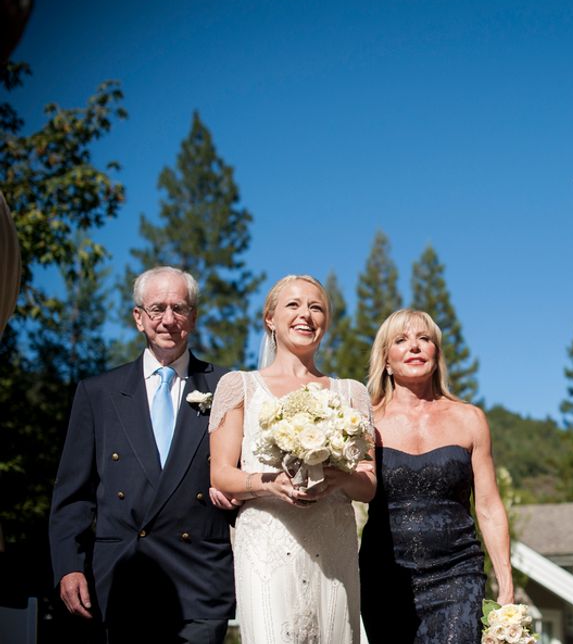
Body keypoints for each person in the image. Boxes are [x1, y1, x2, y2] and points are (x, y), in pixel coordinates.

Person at [49, 266, 236, 643]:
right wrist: (69, 565)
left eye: (179, 308)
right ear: (138, 318)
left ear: (193, 317)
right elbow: (74, 495)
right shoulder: (98, 393)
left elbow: (244, 474)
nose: (168, 319)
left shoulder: (228, 387)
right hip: (122, 578)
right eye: (157, 309)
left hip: (200, 578)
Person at [209, 274, 376, 644]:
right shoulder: (239, 386)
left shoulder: (352, 394)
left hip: (333, 543)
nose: (306, 315)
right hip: (266, 543)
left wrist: (338, 478)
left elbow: (368, 485)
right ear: (270, 318)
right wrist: (269, 484)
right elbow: (220, 474)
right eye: (293, 305)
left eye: (316, 307)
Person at [359, 309, 514, 643]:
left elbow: (489, 507)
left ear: (436, 354)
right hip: (384, 575)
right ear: (386, 360)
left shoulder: (470, 419)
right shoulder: (365, 421)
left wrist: (507, 588)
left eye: (424, 339)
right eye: (401, 340)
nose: (414, 347)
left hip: (457, 572)